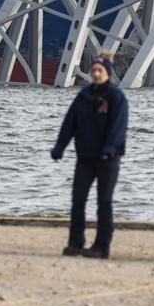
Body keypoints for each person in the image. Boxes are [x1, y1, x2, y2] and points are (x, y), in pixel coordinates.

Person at [51, 55, 129, 259]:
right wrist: (60, 146)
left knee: (104, 202)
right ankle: (75, 243)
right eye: (93, 70)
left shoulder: (116, 97)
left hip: (107, 159)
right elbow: (70, 123)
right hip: (85, 157)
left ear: (107, 74)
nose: (95, 73)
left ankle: (102, 246)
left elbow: (118, 127)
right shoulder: (83, 96)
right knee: (78, 200)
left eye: (99, 71)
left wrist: (110, 149)